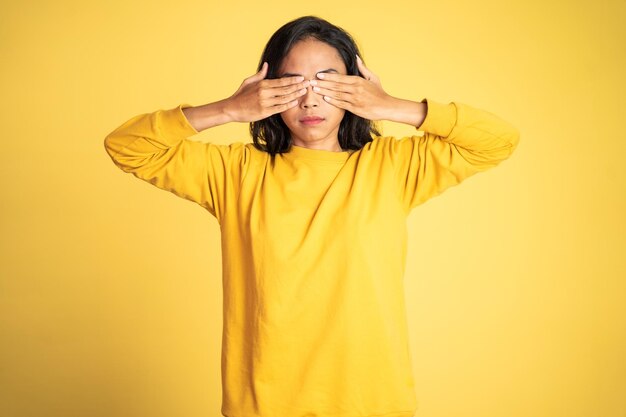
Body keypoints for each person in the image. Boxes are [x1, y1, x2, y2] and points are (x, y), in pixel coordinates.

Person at [104, 15, 520, 417]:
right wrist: (228, 110)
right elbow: (126, 146)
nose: (310, 100)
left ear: (355, 87)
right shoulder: (236, 173)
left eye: (329, 83)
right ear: (266, 91)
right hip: (265, 405)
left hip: (371, 400)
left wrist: (393, 107)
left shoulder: (392, 166)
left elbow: (497, 141)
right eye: (291, 85)